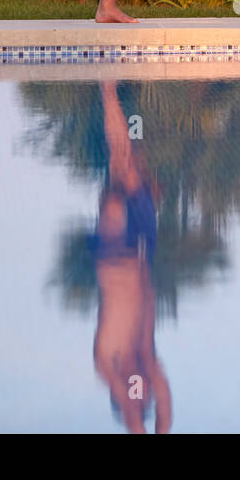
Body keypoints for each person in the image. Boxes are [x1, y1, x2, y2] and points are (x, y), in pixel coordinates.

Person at [89, 79, 172, 433]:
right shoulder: (146, 357)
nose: (145, 391)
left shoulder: (108, 362)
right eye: (146, 394)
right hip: (142, 252)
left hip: (115, 254)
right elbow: (165, 405)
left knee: (120, 167)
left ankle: (108, 90)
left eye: (139, 396)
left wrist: (136, 416)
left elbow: (132, 409)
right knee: (128, 164)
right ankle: (112, 93)